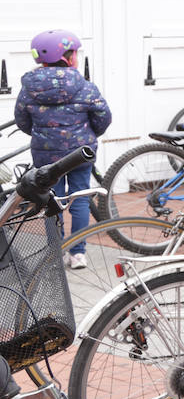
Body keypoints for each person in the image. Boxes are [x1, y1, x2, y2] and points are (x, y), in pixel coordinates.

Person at [14, 29, 112, 269]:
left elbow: (22, 120)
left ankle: (55, 254)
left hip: (45, 156)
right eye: (75, 53)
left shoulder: (29, 87)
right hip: (79, 154)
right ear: (67, 57)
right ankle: (78, 254)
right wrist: (89, 135)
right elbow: (103, 117)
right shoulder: (85, 86)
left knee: (51, 202)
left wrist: (42, 135)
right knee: (79, 199)